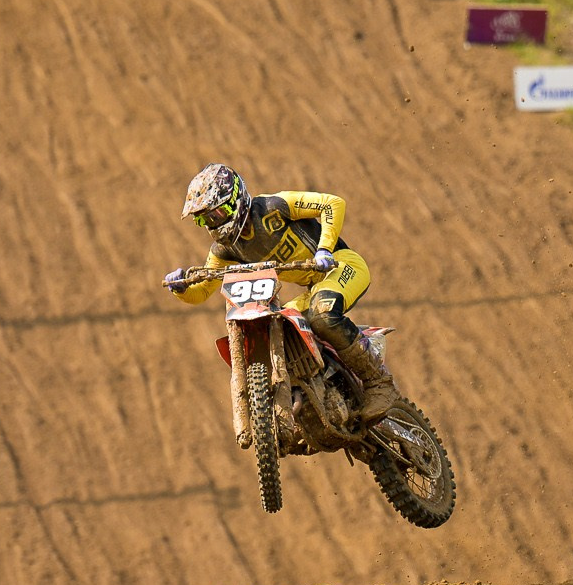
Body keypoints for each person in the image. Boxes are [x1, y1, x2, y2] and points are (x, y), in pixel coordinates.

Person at [165, 163, 400, 422]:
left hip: (342, 266)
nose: (213, 223)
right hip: (314, 288)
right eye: (205, 219)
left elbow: (332, 203)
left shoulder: (272, 207)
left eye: (216, 214)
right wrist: (181, 288)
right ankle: (317, 393)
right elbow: (202, 291)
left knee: (322, 315)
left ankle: (379, 382)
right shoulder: (227, 249)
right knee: (281, 325)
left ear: (234, 200)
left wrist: (324, 248)